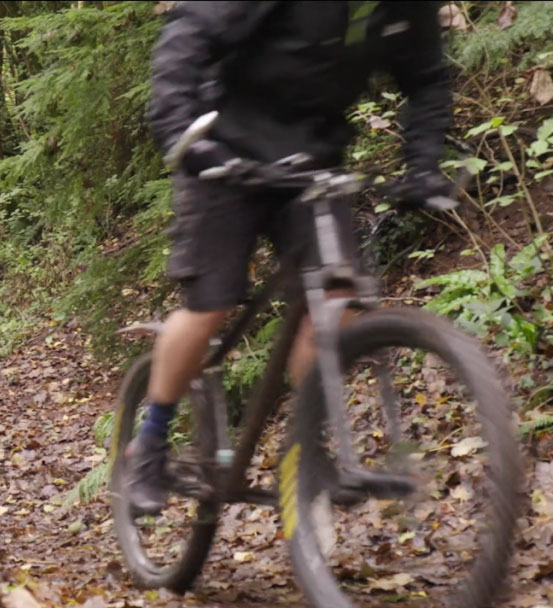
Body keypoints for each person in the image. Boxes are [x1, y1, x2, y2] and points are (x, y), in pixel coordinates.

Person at [126, 1, 456, 515]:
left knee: (334, 301)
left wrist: (424, 166)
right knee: (211, 302)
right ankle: (150, 442)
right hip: (223, 156)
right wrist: (180, 135)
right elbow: (188, 32)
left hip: (313, 165)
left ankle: (308, 448)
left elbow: (427, 80)